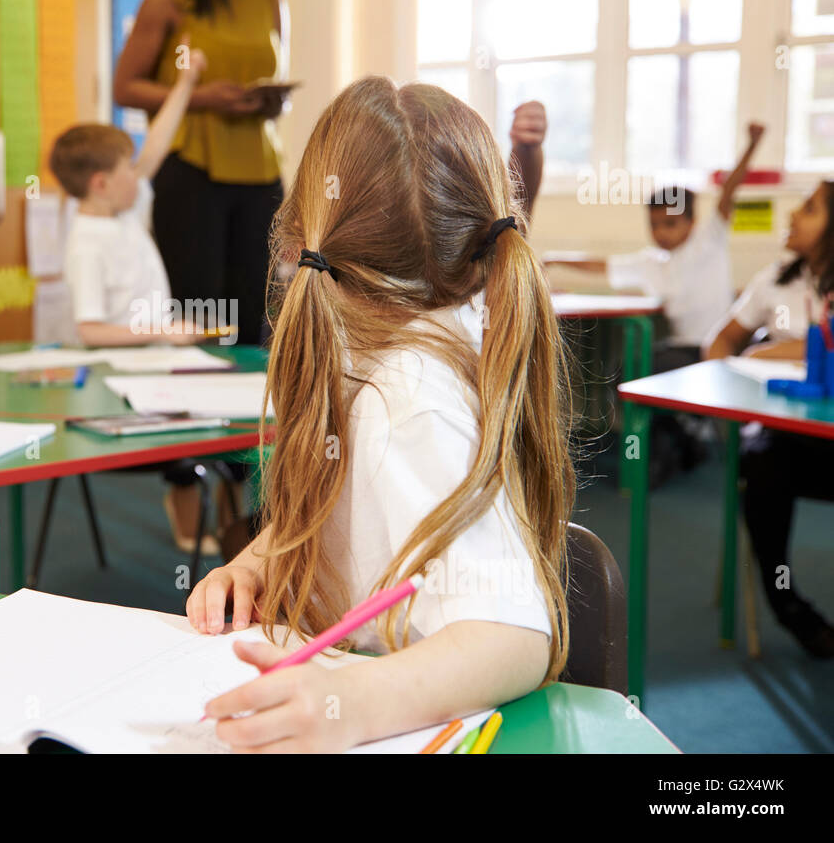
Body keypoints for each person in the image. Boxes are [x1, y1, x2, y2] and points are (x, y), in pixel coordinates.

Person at [185, 79, 574, 752]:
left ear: (300, 237)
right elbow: (335, 508)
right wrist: (256, 562)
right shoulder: (373, 348)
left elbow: (515, 636)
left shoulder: (411, 393)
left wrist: (350, 703)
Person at [49, 41, 221, 555]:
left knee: (228, 431)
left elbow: (155, 149)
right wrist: (160, 331)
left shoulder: (123, 207)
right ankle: (189, 515)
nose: (140, 173)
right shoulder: (86, 244)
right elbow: (89, 331)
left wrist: (186, 84)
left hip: (158, 361)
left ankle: (236, 526)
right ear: (102, 183)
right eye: (128, 169)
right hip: (119, 378)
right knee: (190, 444)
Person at [113, 0, 284, 350]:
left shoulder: (267, 2)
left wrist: (269, 101)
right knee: (201, 320)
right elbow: (125, 86)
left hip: (260, 174)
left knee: (257, 319)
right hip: (191, 173)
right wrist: (201, 96)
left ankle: (254, 421)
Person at [546, 123, 766, 483]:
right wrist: (556, 257)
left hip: (714, 349)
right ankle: (669, 445)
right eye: (655, 224)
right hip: (680, 348)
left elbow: (729, 192)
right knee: (626, 375)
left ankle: (664, 455)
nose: (662, 232)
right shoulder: (652, 262)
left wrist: (752, 145)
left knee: (633, 378)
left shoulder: (708, 244)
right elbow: (602, 264)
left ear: (692, 223)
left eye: (670, 223)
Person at [703, 179, 834, 658]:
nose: (793, 216)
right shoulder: (776, 278)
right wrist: (727, 388)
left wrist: (780, 350)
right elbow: (720, 342)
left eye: (811, 209)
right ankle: (790, 608)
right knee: (760, 464)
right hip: (789, 443)